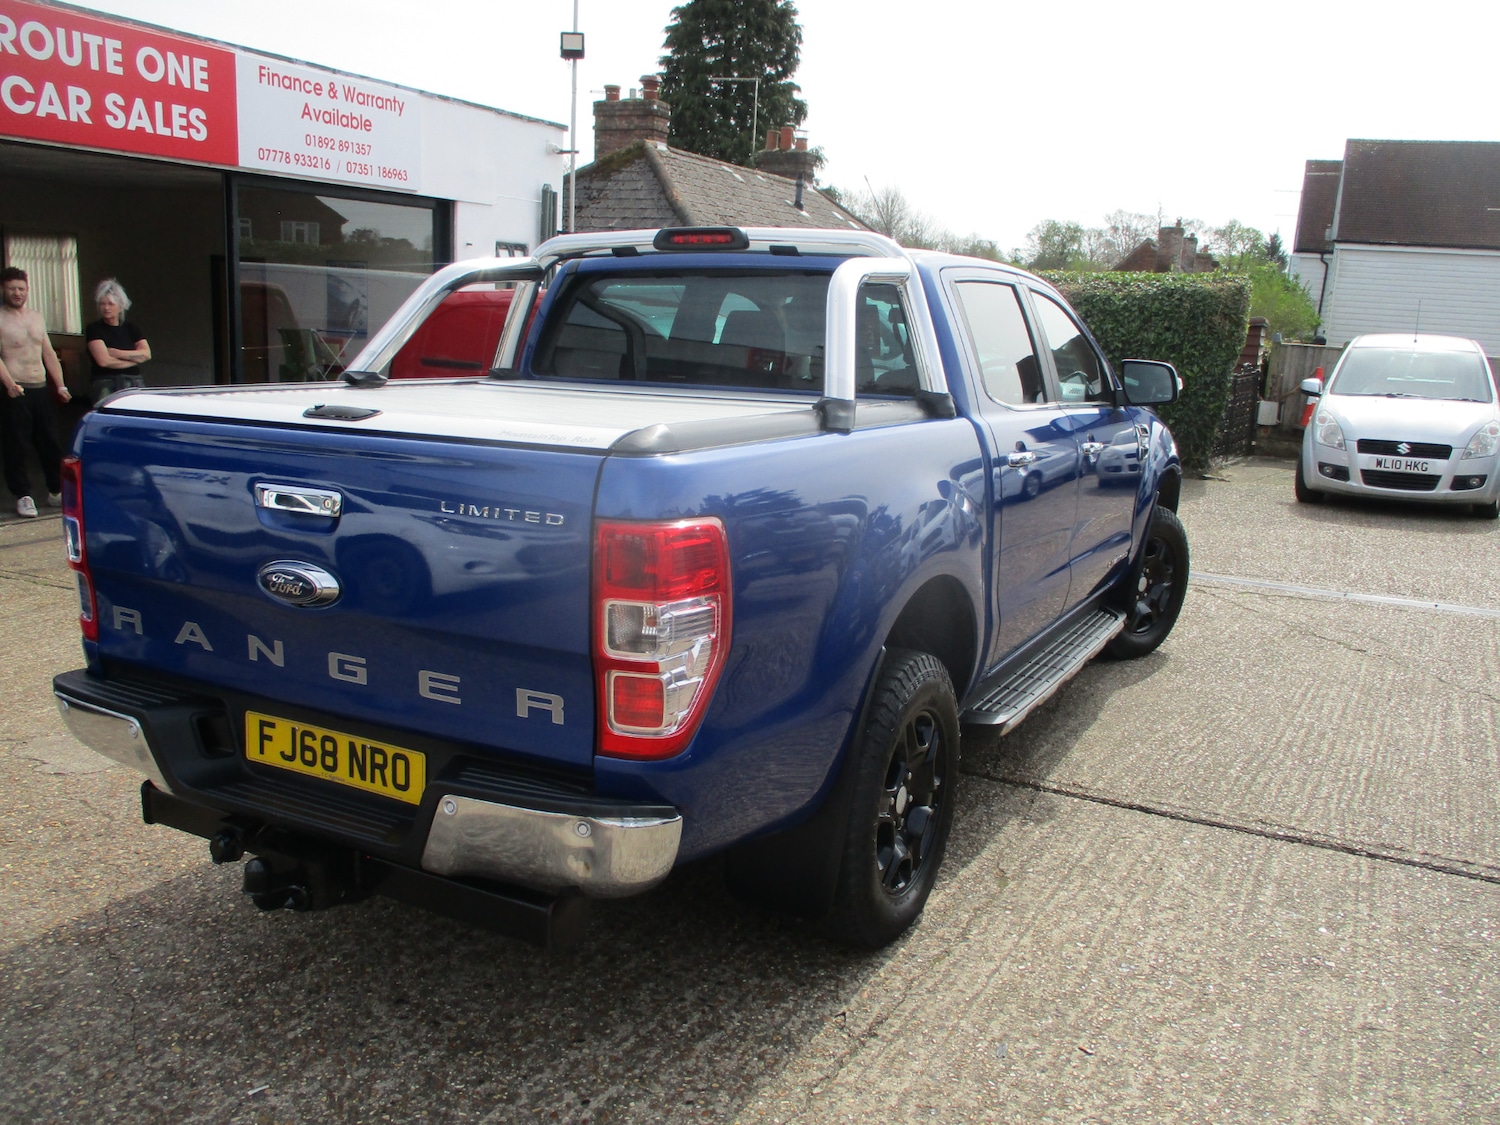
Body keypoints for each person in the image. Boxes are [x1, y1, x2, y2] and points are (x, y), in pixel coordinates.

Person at [0, 266, 71, 518]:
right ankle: (23, 495)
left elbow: (48, 353)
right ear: (3, 290)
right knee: (16, 445)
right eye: (12, 288)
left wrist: (60, 385)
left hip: (40, 388)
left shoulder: (36, 317)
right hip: (15, 390)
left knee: (50, 442)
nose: (17, 293)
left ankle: (55, 490)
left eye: (21, 288)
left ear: (28, 290)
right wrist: (8, 383)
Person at [85, 278, 151, 403]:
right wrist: (134, 360)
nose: (106, 308)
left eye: (110, 304)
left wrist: (117, 353)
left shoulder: (131, 328)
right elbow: (104, 361)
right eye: (102, 304)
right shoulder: (94, 329)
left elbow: (146, 354)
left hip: (133, 381)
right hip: (105, 382)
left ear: (121, 306)